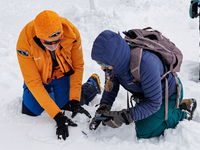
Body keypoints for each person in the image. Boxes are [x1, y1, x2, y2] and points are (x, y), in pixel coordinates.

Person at [89, 30, 197, 138]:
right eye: (100, 64)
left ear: (115, 59)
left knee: (144, 131)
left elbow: (153, 103)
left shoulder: (146, 64)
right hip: (149, 94)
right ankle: (170, 109)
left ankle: (182, 113)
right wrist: (103, 108)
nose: (102, 68)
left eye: (104, 64)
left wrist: (124, 116)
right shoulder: (114, 66)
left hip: (167, 95)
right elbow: (111, 87)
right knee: (141, 117)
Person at [16, 10, 101, 140]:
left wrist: (74, 101)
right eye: (48, 42)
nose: (54, 45)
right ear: (39, 38)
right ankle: (49, 96)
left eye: (57, 40)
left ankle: (91, 86)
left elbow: (77, 66)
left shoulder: (71, 33)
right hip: (39, 77)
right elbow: (33, 81)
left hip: (62, 74)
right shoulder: (25, 41)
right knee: (31, 110)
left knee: (66, 105)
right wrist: (57, 116)